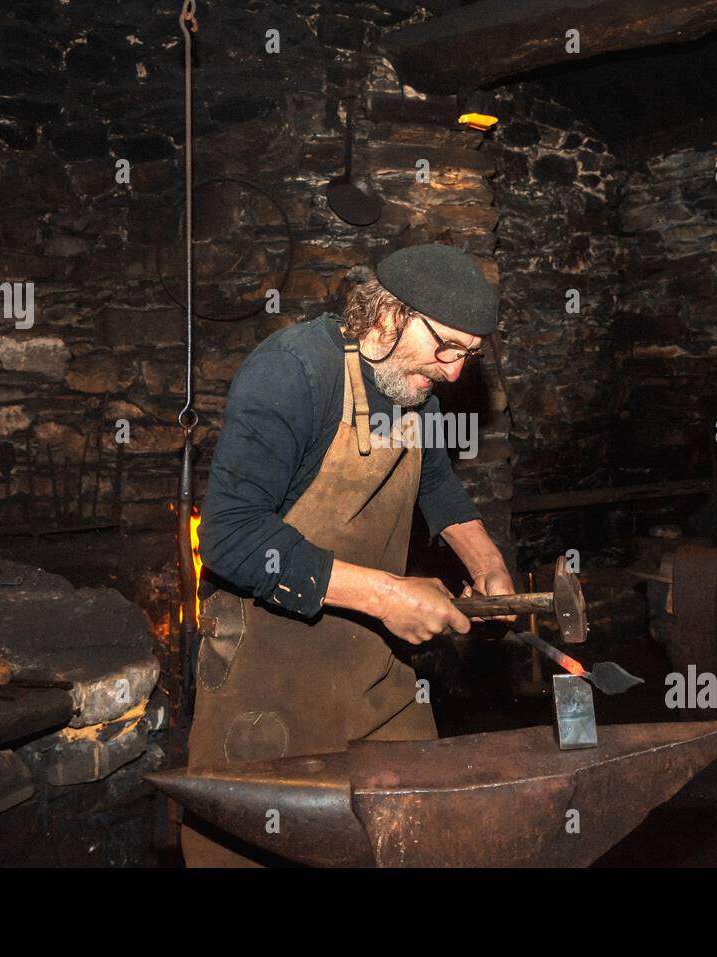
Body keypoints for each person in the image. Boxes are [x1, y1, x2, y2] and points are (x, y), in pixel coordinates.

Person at [182, 242, 515, 866]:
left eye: (469, 356)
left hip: (376, 670)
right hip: (270, 673)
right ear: (389, 313)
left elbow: (436, 484)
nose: (452, 372)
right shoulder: (292, 371)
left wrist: (487, 565)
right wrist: (389, 596)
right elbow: (228, 534)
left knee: (416, 839)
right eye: (446, 346)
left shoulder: (416, 388)